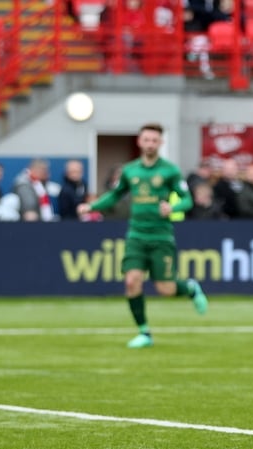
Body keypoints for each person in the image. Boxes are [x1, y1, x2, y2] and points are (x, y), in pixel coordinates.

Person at [77, 123, 209, 348]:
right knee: (131, 281)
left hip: (161, 237)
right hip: (136, 236)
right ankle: (144, 333)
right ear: (139, 141)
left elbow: (187, 199)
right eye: (146, 139)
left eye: (154, 140)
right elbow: (116, 194)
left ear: (161, 143)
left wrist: (173, 208)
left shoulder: (170, 170)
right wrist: (92, 207)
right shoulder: (130, 171)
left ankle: (191, 288)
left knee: (165, 289)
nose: (150, 144)